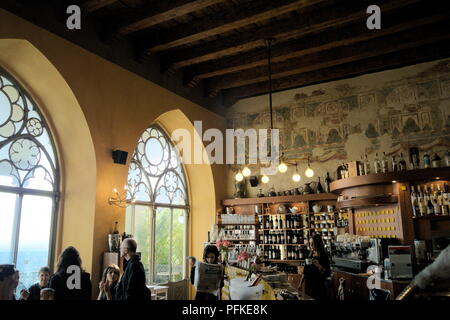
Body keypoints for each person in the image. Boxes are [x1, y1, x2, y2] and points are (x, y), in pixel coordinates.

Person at [303, 233, 331, 300]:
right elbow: (305, 271)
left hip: (318, 288)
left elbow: (327, 273)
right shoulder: (310, 254)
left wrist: (318, 265)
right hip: (308, 287)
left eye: (313, 243)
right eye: (310, 243)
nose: (311, 246)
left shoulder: (323, 256)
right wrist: (300, 284)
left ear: (317, 244)